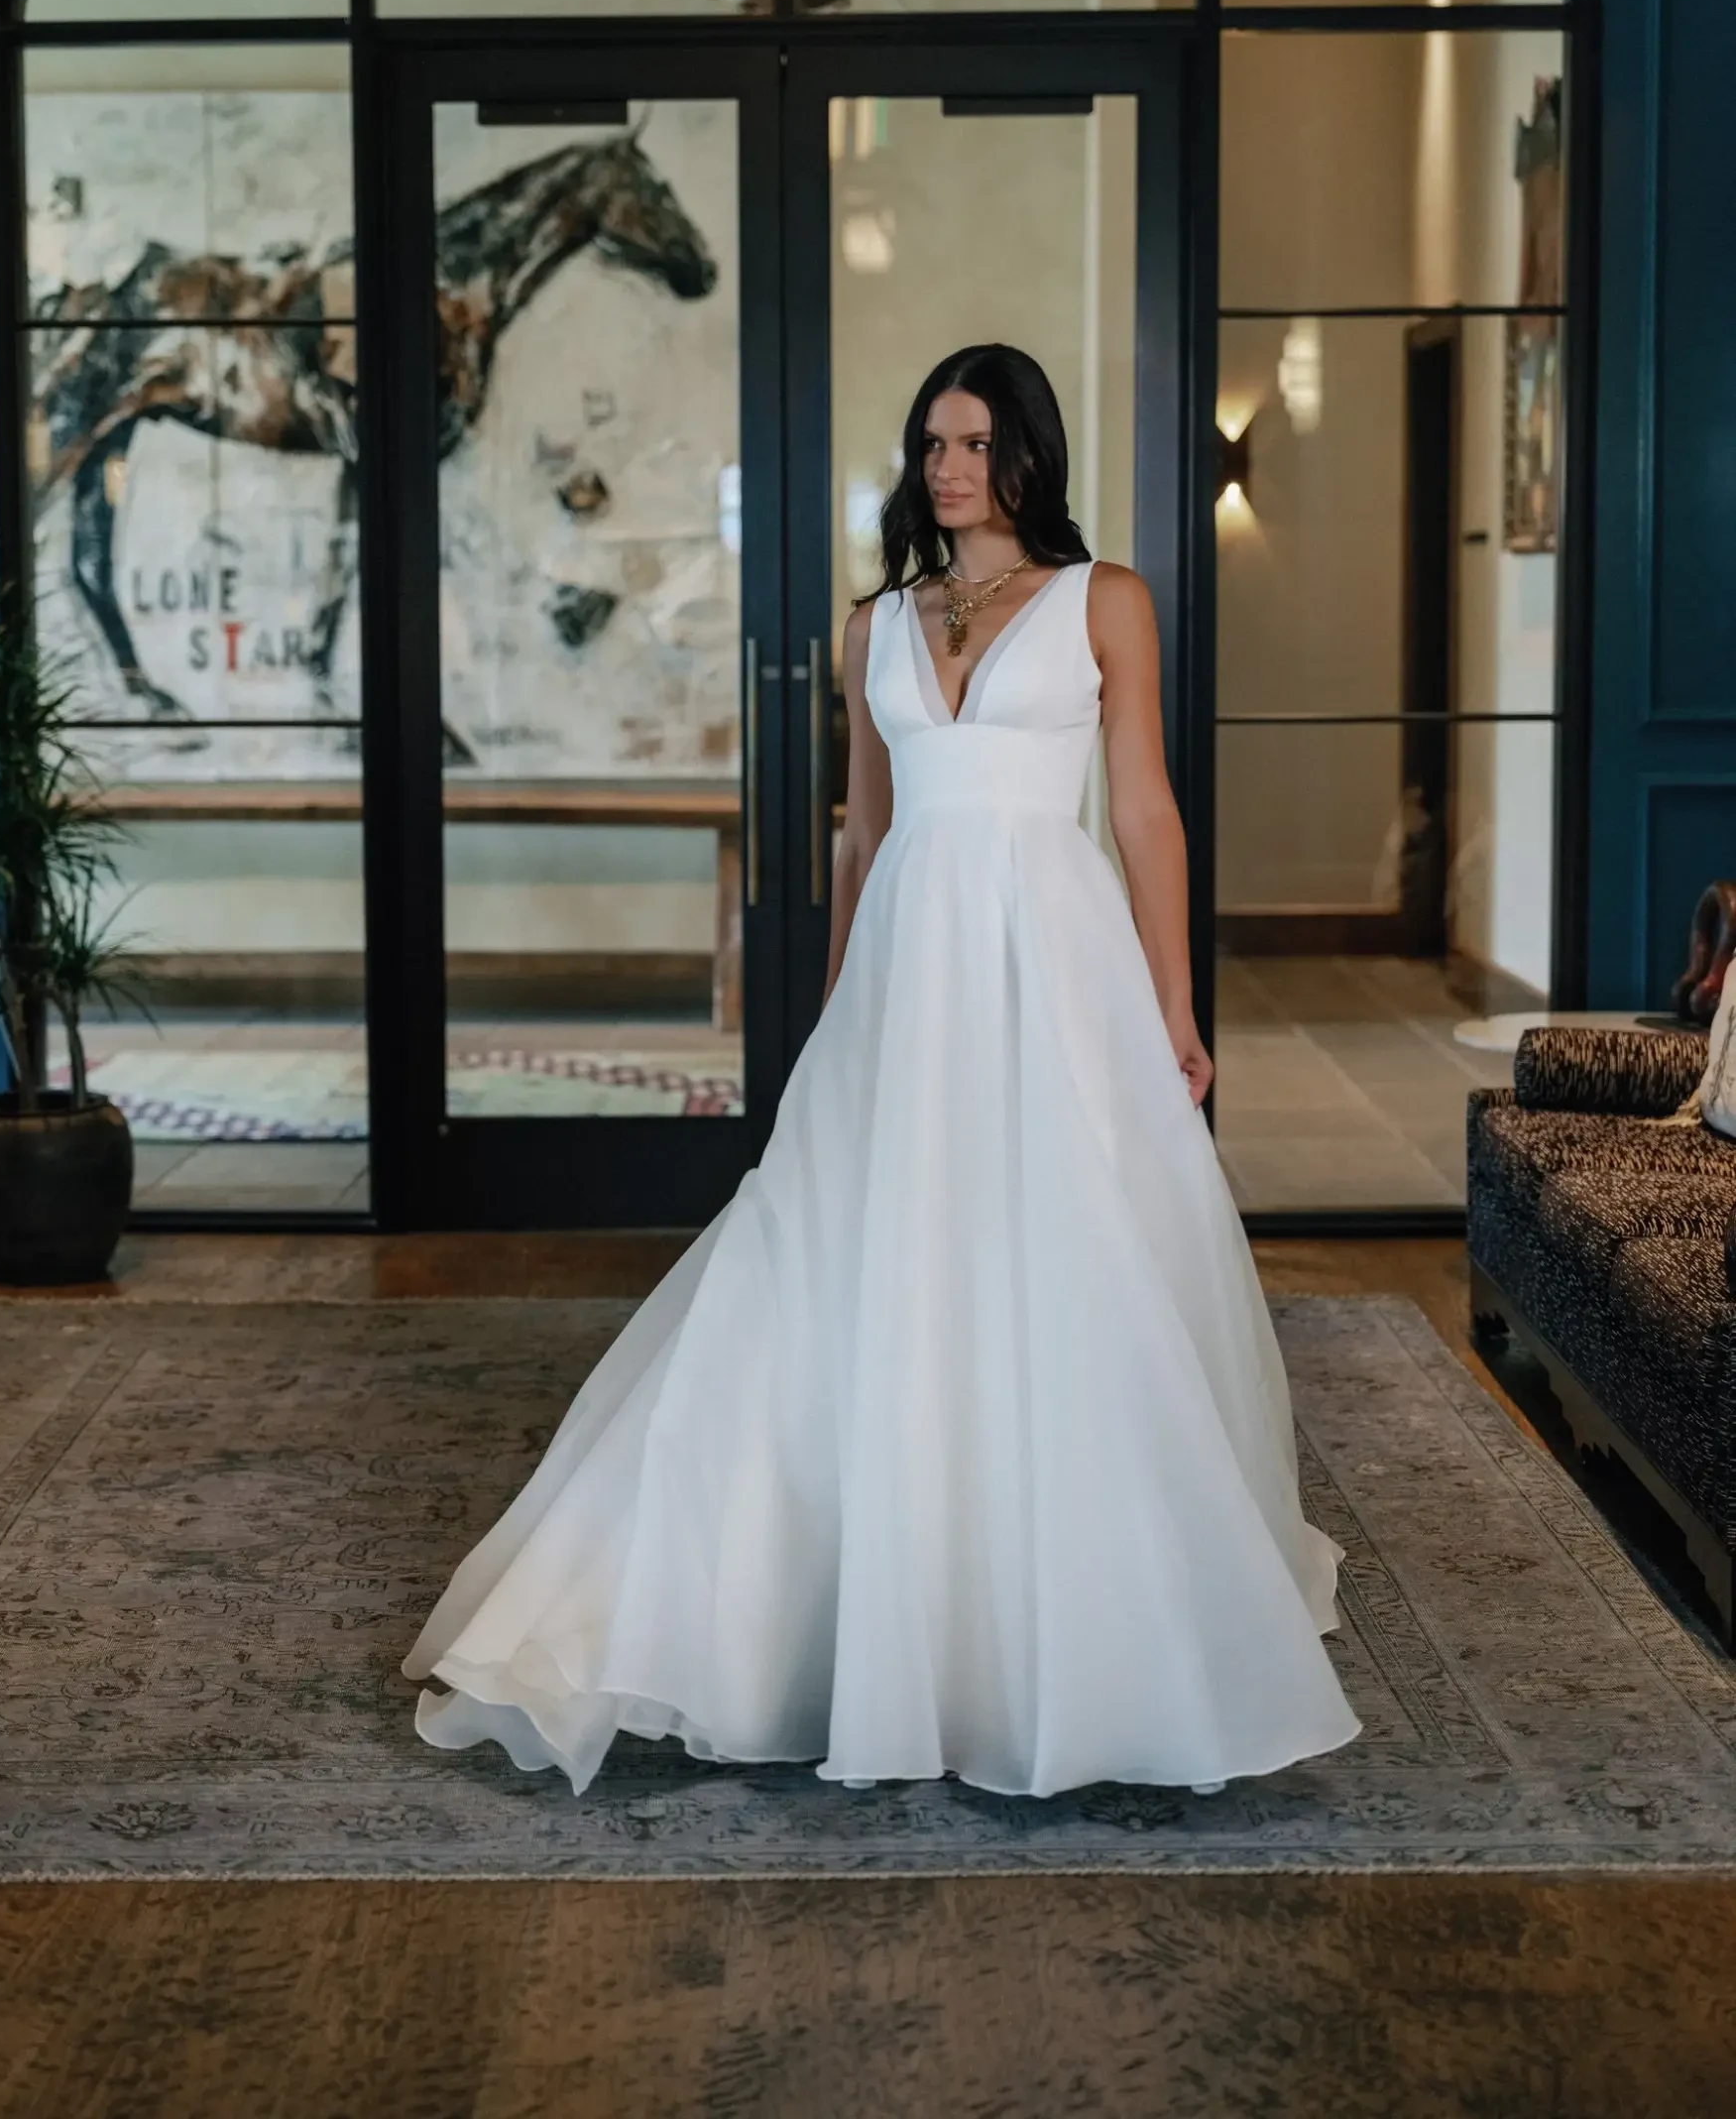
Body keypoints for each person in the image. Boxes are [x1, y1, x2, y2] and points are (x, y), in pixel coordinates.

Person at [402, 342, 1360, 1797]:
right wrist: (839, 1007)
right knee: (837, 1252)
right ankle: (767, 1599)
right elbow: (864, 834)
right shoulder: (875, 626)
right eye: (932, 445)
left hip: (1053, 964)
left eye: (974, 442)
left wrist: (1174, 1005)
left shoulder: (1104, 601)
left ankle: (1066, 1618)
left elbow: (1145, 813)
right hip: (906, 975)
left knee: (1059, 1251)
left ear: (1027, 453)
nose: (948, 468)